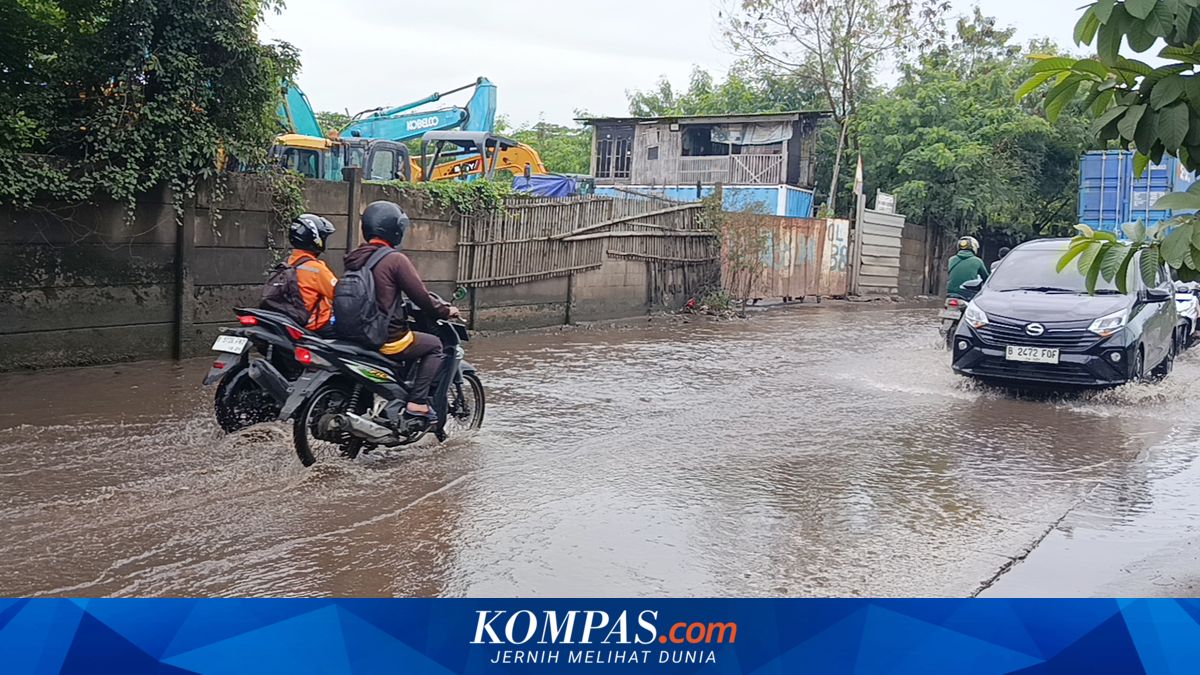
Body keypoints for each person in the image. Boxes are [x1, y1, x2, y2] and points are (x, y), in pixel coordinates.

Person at [344, 201, 459, 426]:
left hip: (354, 334)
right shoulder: (395, 260)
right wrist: (445, 311)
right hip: (386, 337)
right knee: (434, 345)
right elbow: (421, 297)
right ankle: (417, 403)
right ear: (394, 229)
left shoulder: (356, 258)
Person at [267, 214, 338, 332]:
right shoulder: (316, 269)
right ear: (315, 239)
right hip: (315, 327)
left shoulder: (288, 263)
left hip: (292, 324)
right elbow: (339, 294)